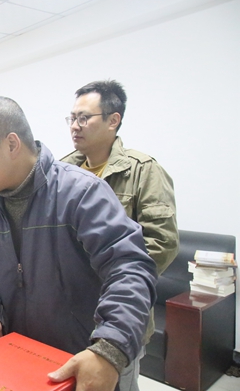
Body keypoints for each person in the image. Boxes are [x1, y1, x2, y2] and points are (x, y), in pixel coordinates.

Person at [0, 97, 158, 391]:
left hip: (82, 362)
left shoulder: (81, 193)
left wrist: (110, 347)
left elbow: (130, 268)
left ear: (11, 144)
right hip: (22, 364)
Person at [61, 80, 178, 391]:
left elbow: (162, 242)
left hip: (118, 309)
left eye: (84, 118)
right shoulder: (63, 171)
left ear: (113, 120)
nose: (74, 126)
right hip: (69, 311)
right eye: (71, 118)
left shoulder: (143, 170)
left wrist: (115, 280)